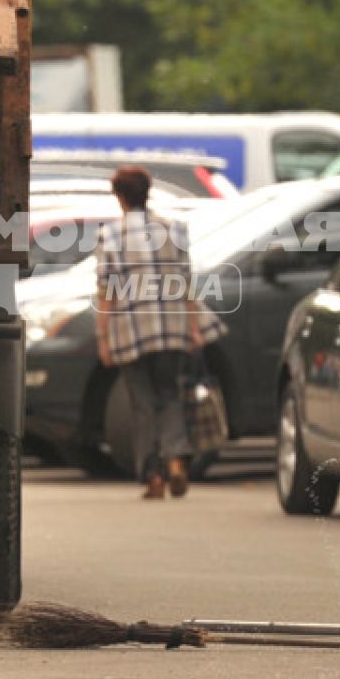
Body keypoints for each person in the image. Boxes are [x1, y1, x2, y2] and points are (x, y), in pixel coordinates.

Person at [94, 166, 216, 499]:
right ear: (147, 193)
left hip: (131, 330)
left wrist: (103, 338)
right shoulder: (173, 230)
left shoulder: (112, 236)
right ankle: (176, 459)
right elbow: (186, 283)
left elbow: (107, 290)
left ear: (119, 197)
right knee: (170, 394)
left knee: (142, 403)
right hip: (172, 325)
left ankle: (153, 476)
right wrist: (194, 328)